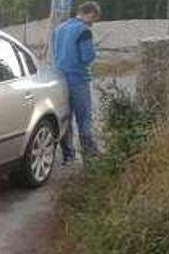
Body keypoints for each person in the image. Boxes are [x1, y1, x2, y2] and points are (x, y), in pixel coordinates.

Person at [52, 1, 101, 163]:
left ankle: (68, 155)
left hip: (60, 78)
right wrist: (94, 51)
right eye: (94, 19)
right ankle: (90, 155)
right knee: (84, 118)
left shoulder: (59, 29)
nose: (93, 23)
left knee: (65, 118)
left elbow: (56, 54)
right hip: (78, 80)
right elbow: (87, 57)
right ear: (90, 14)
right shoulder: (84, 31)